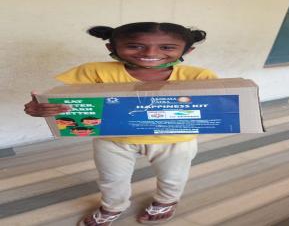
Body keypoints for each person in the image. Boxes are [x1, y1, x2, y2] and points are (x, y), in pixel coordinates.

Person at [24, 22, 218, 225]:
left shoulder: (198, 76)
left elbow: (213, 107)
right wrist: (42, 107)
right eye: (134, 46)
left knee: (174, 177)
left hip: (176, 139)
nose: (150, 52)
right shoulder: (94, 72)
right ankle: (112, 207)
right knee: (111, 179)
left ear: (188, 50)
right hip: (113, 138)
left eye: (167, 47)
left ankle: (166, 202)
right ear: (111, 48)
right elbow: (64, 99)